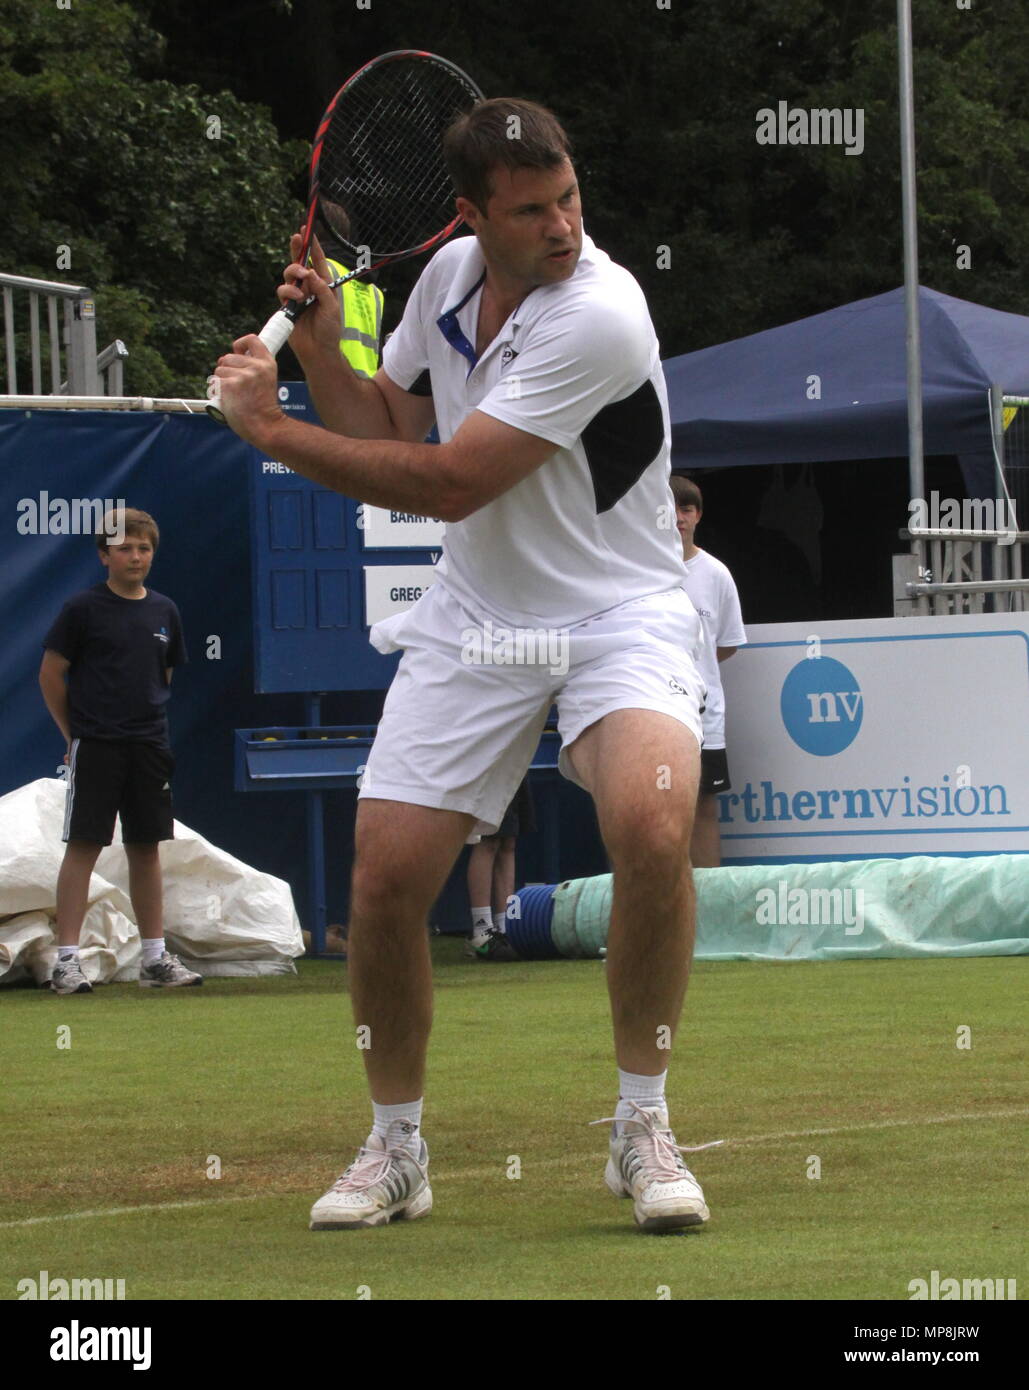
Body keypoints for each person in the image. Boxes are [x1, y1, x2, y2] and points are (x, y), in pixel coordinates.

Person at [214, 98, 714, 1234]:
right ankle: (397, 1148)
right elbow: (394, 418)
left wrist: (271, 431)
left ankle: (643, 1122)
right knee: (385, 876)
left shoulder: (605, 312)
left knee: (651, 823)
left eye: (570, 199)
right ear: (470, 217)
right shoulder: (442, 282)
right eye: (532, 211)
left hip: (619, 610)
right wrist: (317, 344)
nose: (563, 227)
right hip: (480, 612)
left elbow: (446, 483)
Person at [38, 508, 200, 994]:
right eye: (125, 548)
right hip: (96, 745)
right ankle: (66, 961)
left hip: (149, 747)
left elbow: (163, 677)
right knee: (84, 846)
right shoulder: (82, 610)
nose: (135, 557)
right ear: (104, 555)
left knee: (146, 847)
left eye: (143, 549)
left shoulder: (164, 611)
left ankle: (154, 957)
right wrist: (75, 736)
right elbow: (50, 675)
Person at [672, 475, 747, 867]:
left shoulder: (716, 573)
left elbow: (728, 643)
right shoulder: (641, 572)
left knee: (703, 807)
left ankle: (707, 908)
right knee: (661, 809)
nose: (678, 517)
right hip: (657, 711)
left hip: (706, 717)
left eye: (686, 509)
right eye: (670, 508)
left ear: (698, 515)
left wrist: (693, 673)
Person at [466, 776, 535, 961]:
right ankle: (481, 932)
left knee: (508, 842)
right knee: (488, 840)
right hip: (488, 762)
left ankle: (506, 927)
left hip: (513, 761)